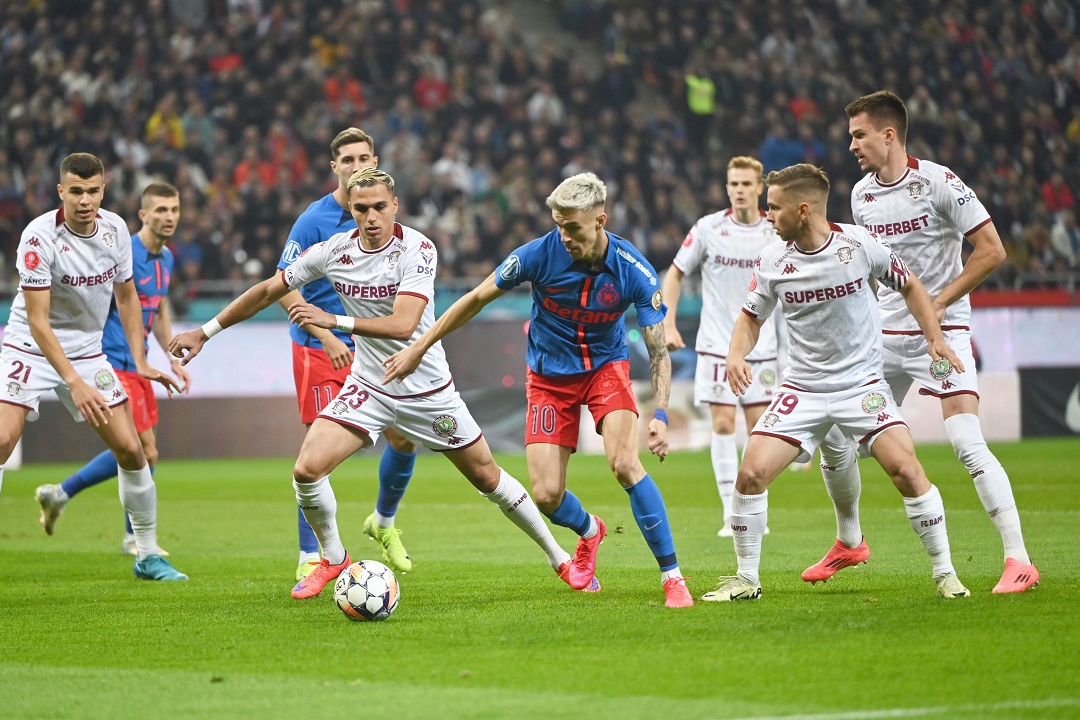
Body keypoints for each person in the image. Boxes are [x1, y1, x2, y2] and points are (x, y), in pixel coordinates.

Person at [169, 168, 592, 599]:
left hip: (427, 392)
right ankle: (334, 558)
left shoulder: (417, 249)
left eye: (378, 207)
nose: (370, 217)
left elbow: (405, 324)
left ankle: (558, 557)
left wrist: (332, 319)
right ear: (350, 209)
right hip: (368, 388)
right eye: (361, 208)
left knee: (488, 478)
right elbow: (266, 291)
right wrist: (204, 333)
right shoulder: (333, 250)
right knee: (306, 470)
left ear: (394, 207)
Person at [383, 172, 692, 608]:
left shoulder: (633, 269)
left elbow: (659, 353)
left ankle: (672, 578)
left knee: (625, 464)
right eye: (558, 224)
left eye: (573, 227)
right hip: (549, 378)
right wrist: (420, 346)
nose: (563, 235)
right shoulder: (536, 255)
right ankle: (589, 530)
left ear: (601, 220)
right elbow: (474, 298)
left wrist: (659, 415)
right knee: (546, 494)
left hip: (606, 368)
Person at [699, 163, 970, 603]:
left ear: (803, 210)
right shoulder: (772, 259)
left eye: (775, 207)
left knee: (906, 470)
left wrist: (934, 338)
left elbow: (910, 285)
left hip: (861, 386)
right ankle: (747, 580)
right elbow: (751, 317)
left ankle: (946, 574)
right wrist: (735, 354)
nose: (768, 215)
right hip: (801, 389)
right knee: (749, 475)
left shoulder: (858, 245)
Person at [808, 91, 1039, 595]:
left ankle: (1019, 560)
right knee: (834, 434)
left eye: (859, 134)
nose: (852, 145)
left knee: (965, 442)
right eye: (851, 136)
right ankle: (849, 540)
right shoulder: (860, 196)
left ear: (888, 134)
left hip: (943, 332)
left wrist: (938, 303)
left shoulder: (939, 183)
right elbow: (871, 272)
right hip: (885, 337)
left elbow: (993, 250)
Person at [0, 153, 187, 587]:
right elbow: (38, 320)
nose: (84, 200)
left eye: (92, 191)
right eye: (76, 192)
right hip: (30, 347)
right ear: (61, 193)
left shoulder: (116, 233)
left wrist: (141, 360)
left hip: (89, 352)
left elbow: (127, 298)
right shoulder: (39, 236)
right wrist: (73, 382)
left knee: (132, 451)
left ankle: (146, 555)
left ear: (103, 191)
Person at [275, 128, 418, 581]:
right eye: (348, 160)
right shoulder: (313, 221)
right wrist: (326, 335)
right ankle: (310, 556)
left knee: (404, 439)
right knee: (315, 454)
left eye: (364, 158)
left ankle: (383, 522)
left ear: (375, 161)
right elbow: (283, 286)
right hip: (322, 349)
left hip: (374, 347)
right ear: (334, 167)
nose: (357, 166)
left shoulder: (382, 218)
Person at [33, 181, 191, 556]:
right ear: (143, 215)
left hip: (139, 363)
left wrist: (169, 355)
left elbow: (159, 305)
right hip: (109, 358)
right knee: (143, 450)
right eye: (160, 211)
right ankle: (133, 537)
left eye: (174, 210)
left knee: (140, 451)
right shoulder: (125, 250)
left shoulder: (166, 258)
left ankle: (63, 494)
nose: (169, 217)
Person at [661, 156, 780, 537]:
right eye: (733, 184)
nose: (740, 190)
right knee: (724, 423)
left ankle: (755, 510)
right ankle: (731, 514)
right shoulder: (708, 228)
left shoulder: (776, 231)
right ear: (727, 187)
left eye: (747, 184)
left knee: (760, 429)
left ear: (760, 187)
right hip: (715, 344)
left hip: (762, 345)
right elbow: (675, 273)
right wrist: (668, 321)